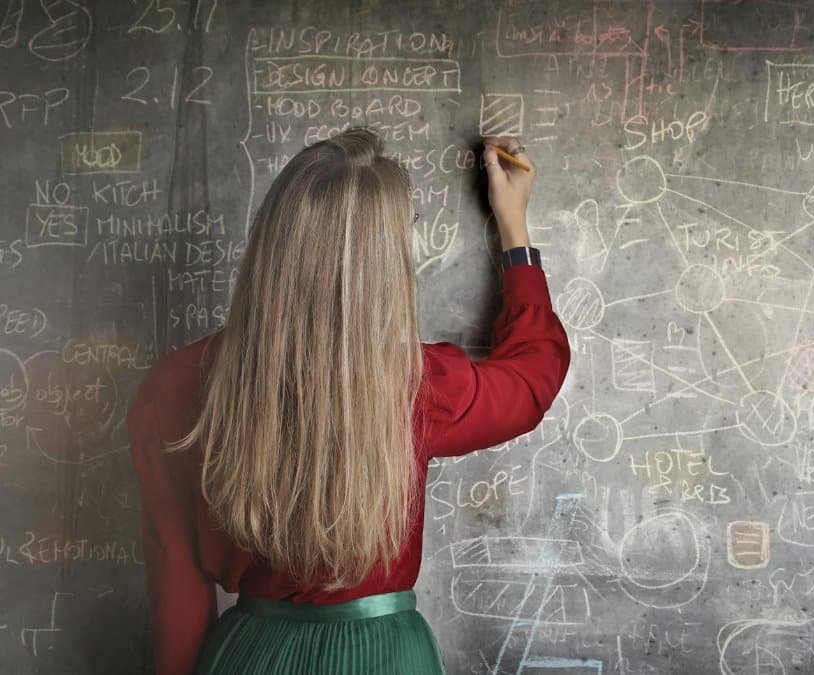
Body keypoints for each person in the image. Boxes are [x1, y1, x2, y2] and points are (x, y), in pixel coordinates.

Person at [125, 128, 571, 674]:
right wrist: (514, 229)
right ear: (387, 264)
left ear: (272, 239)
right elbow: (533, 376)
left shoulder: (173, 388)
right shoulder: (421, 385)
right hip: (384, 659)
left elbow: (177, 593)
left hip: (248, 657)